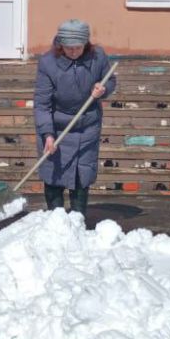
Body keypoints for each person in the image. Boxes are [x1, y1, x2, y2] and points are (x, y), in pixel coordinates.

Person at [33, 19, 117, 222]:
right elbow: (42, 104)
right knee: (54, 175)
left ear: (86, 44)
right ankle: (55, 223)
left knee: (82, 175)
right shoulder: (48, 62)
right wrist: (47, 135)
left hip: (87, 125)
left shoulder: (98, 57)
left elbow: (110, 80)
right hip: (57, 127)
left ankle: (78, 221)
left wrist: (103, 89)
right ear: (60, 45)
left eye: (78, 47)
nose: (73, 52)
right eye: (69, 48)